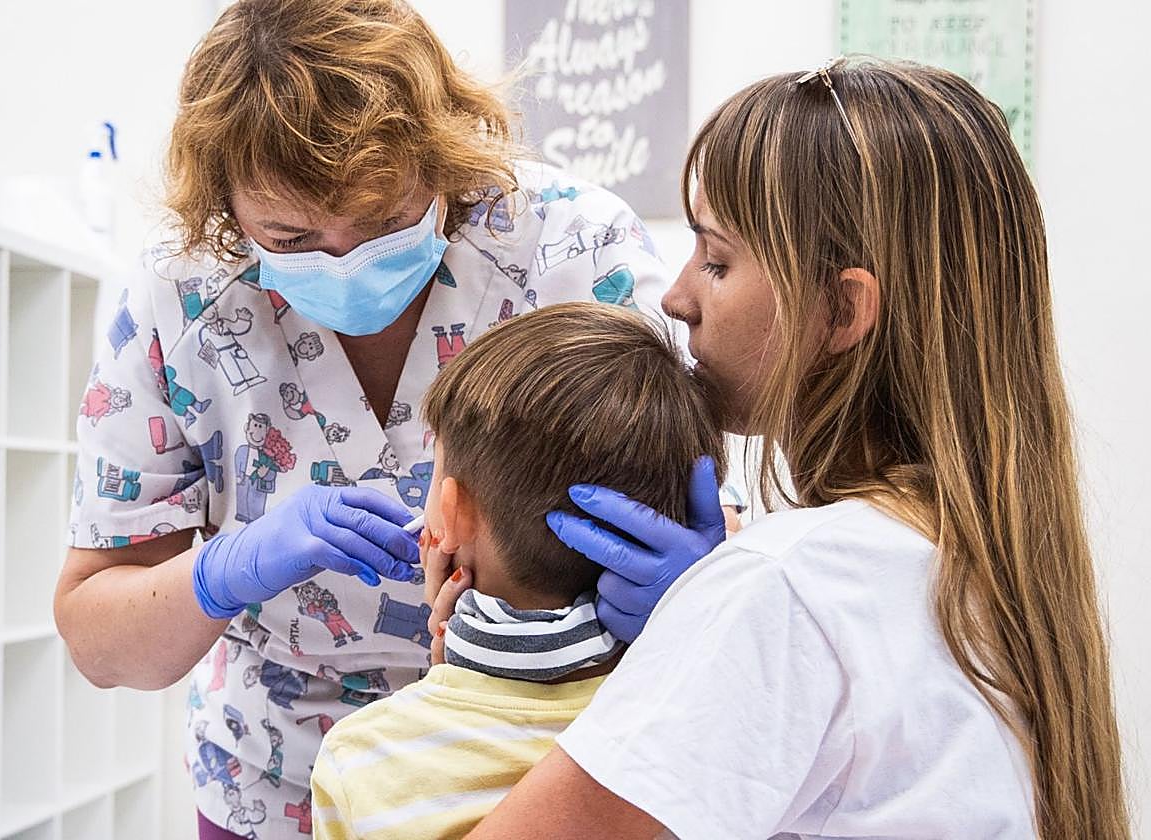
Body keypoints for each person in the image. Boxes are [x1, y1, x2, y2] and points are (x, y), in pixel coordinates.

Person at [436, 59, 1129, 838]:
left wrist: (459, 692)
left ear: (841, 307)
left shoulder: (787, 585)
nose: (677, 297)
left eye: (718, 260)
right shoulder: (981, 564)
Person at [51, 1, 674, 836]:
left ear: (442, 156)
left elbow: (697, 510)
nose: (346, 263)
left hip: (544, 769)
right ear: (228, 211)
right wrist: (224, 571)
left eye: (384, 221)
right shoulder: (181, 296)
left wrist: (686, 595)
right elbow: (99, 640)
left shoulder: (572, 249)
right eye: (292, 234)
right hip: (278, 779)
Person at [307, 302, 727, 840]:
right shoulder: (696, 726)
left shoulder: (362, 758)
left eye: (434, 474)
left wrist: (452, 677)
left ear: (450, 516)